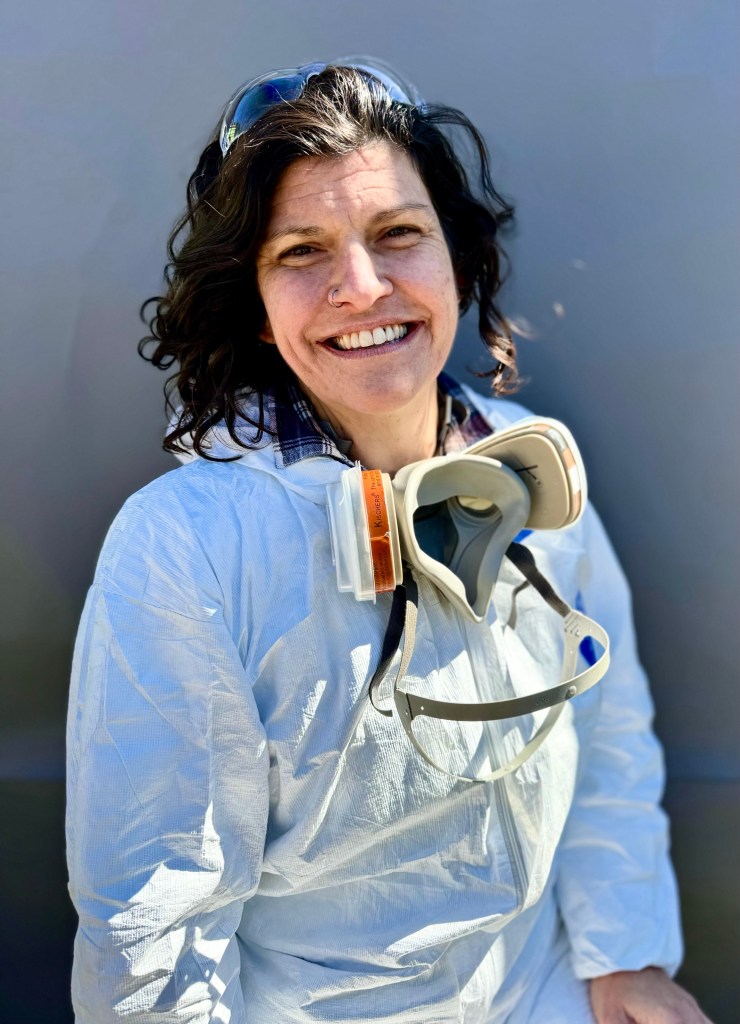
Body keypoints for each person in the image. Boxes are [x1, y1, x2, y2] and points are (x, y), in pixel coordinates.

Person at [66, 60, 710, 1023]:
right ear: (255, 304)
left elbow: (608, 727)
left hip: (548, 989)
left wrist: (627, 959)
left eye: (398, 234)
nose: (362, 288)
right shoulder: (183, 547)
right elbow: (155, 928)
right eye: (302, 251)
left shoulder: (532, 466)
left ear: (459, 259)